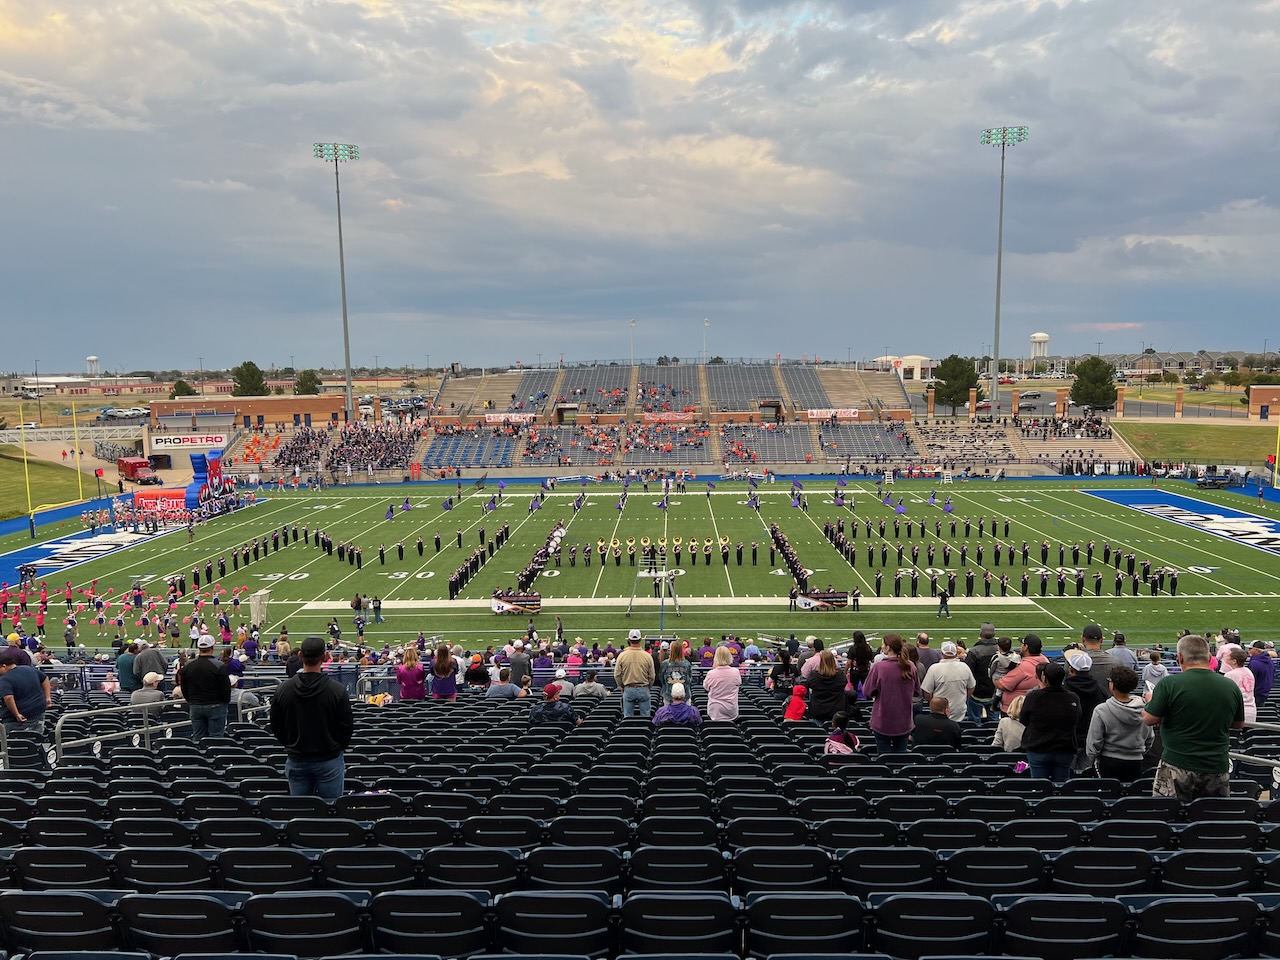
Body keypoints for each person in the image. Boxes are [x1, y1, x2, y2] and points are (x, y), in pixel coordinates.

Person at [1143, 634, 1246, 801]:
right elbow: (1238, 723)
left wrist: (1150, 701)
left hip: (1177, 765)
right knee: (1211, 819)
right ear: (1209, 657)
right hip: (1216, 765)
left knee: (1170, 818)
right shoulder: (1230, 686)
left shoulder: (1169, 684)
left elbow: (1148, 719)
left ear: (1180, 657)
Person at [270, 636, 353, 799]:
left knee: (302, 812)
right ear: (324, 657)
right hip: (328, 758)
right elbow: (346, 727)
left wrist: (291, 744)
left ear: (300, 655)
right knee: (331, 811)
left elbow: (276, 725)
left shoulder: (283, 689)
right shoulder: (336, 690)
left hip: (298, 757)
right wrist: (336, 747)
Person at [1086, 665, 1154, 781]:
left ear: (1112, 685)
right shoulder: (1145, 710)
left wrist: (1092, 759)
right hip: (1135, 762)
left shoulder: (1102, 710)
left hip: (1109, 761)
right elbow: (1149, 738)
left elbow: (1094, 743)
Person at [1019, 661, 1081, 784]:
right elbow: (1077, 719)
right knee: (1061, 785)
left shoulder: (1034, 697)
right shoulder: (1072, 697)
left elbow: (1023, 719)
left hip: (1040, 748)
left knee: (1040, 786)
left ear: (1044, 679)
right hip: (1063, 748)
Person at [861, 634, 921, 754]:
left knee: (885, 759)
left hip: (883, 721)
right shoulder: (910, 666)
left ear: (888, 648)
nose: (882, 646)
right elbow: (917, 691)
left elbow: (867, 691)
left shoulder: (879, 667)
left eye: (883, 644)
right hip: (903, 721)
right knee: (900, 759)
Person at [179, 636, 231, 742]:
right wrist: (224, 702)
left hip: (196, 705)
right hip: (215, 705)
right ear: (212, 648)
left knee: (198, 738)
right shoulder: (219, 666)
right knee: (216, 739)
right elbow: (225, 689)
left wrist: (191, 701)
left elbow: (184, 687)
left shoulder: (188, 665)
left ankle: (199, 757)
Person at [921, 642, 975, 723]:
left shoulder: (934, 668)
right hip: (958, 710)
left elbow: (927, 692)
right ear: (956, 653)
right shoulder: (964, 667)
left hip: (941, 712)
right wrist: (963, 699)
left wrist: (933, 703)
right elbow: (971, 687)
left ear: (942, 653)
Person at [0, 652, 51, 734]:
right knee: (36, 739)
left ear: (4, 666)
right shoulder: (29, 669)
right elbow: (45, 678)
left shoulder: (5, 679)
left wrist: (17, 714)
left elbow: (8, 697)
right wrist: (48, 697)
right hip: (38, 712)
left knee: (15, 742)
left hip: (16, 720)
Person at [996, 635, 1048, 715]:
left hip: (1015, 710)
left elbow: (1002, 685)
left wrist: (994, 679)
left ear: (1026, 647)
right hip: (1036, 706)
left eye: (1022, 644)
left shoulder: (1023, 667)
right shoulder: (1045, 660)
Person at [616, 629, 656, 717]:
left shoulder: (622, 656)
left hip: (629, 688)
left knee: (627, 716)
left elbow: (617, 675)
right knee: (645, 716)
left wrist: (623, 686)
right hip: (643, 688)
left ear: (629, 640)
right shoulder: (647, 656)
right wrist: (648, 686)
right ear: (641, 639)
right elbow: (652, 676)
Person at [965, 624, 1000, 725]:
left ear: (980, 634)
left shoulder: (974, 651)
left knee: (974, 722)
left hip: (977, 693)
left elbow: (968, 673)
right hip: (995, 692)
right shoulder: (1000, 650)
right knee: (994, 723)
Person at [805, 651, 849, 725]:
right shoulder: (840, 676)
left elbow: (808, 684)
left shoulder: (814, 676)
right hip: (835, 711)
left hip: (819, 711)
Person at [703, 646, 742, 721]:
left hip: (715, 711)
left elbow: (706, 687)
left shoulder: (711, 673)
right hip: (730, 710)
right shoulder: (735, 672)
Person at [1224, 648, 1257, 723]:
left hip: (1239, 713)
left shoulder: (1230, 674)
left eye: (1228, 655)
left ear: (1234, 661)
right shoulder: (1248, 671)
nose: (1226, 657)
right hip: (1251, 711)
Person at [659, 641, 692, 706]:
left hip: (669, 694)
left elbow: (662, 679)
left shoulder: (665, 664)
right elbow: (689, 679)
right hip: (682, 695)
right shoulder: (686, 664)